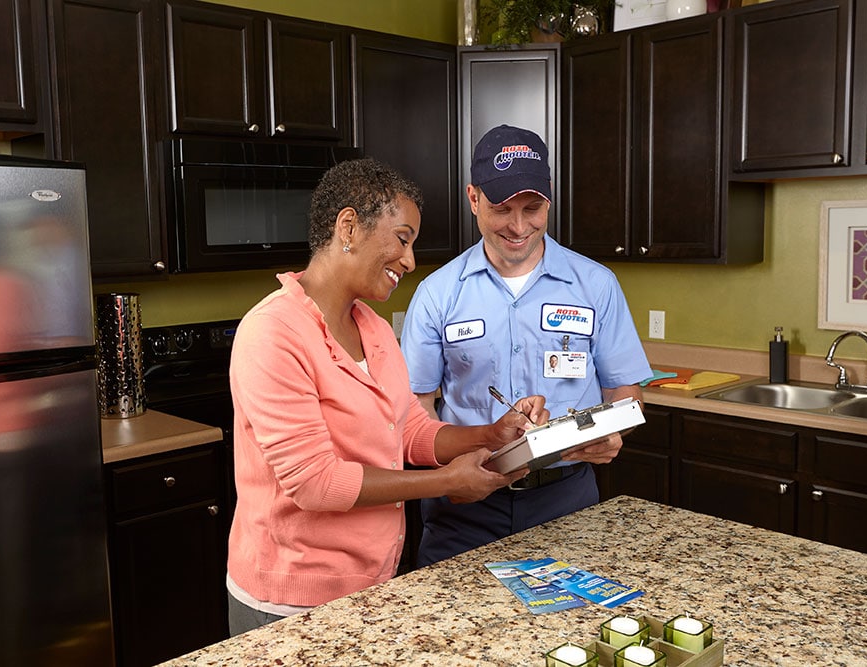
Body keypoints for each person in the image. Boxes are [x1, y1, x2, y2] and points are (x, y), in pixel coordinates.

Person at [226, 157, 547, 635]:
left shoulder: (372, 328)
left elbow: (410, 431)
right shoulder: (272, 334)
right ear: (349, 227)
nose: (411, 261)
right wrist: (445, 483)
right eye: (402, 239)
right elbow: (316, 482)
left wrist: (492, 434)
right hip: (290, 599)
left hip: (373, 585)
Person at [400, 124, 652, 567]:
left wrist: (615, 432)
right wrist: (446, 476)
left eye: (533, 208)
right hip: (464, 509)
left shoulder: (597, 285)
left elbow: (624, 394)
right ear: (473, 198)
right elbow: (413, 411)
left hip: (569, 503)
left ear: (550, 199)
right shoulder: (437, 294)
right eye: (501, 209)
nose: (518, 226)